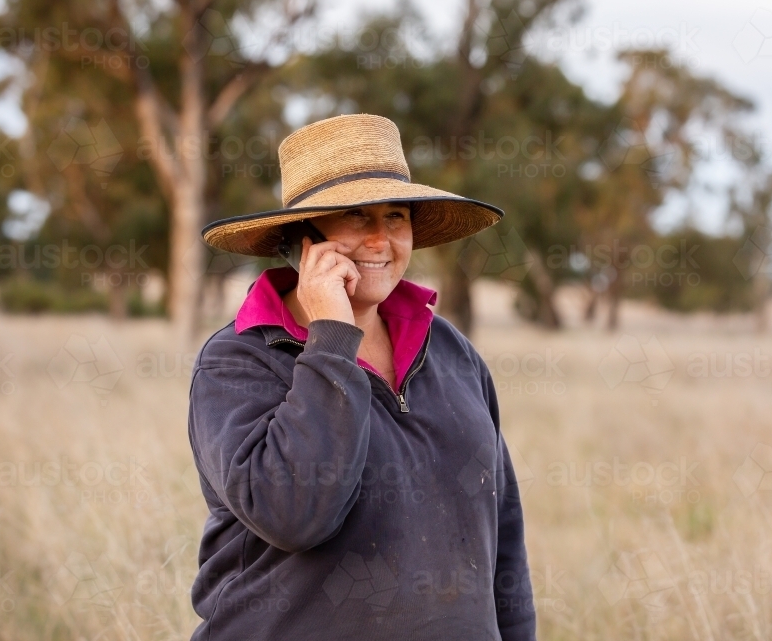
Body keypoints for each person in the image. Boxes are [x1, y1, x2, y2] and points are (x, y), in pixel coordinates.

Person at [188, 113, 535, 640]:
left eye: (395, 216)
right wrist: (331, 337)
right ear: (301, 239)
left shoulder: (451, 352)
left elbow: (501, 528)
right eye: (354, 215)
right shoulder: (237, 362)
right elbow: (294, 515)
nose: (380, 240)